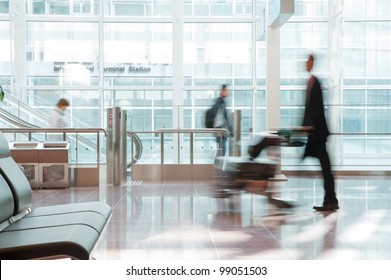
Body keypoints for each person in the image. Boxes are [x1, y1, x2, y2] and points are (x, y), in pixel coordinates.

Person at [302, 54, 339, 211]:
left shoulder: (315, 82)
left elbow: (316, 108)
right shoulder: (311, 82)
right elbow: (309, 109)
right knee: (325, 168)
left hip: (318, 134)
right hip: (315, 134)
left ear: (313, 63)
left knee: (325, 168)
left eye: (308, 61)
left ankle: (331, 200)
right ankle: (330, 200)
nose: (306, 64)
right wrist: (304, 126)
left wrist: (308, 126)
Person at [211, 84, 231, 157]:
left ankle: (218, 165)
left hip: (220, 129)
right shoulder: (220, 102)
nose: (227, 92)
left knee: (221, 149)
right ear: (222, 91)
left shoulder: (220, 101)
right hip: (220, 129)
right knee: (222, 149)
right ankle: (218, 165)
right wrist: (230, 129)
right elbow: (223, 117)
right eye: (226, 91)